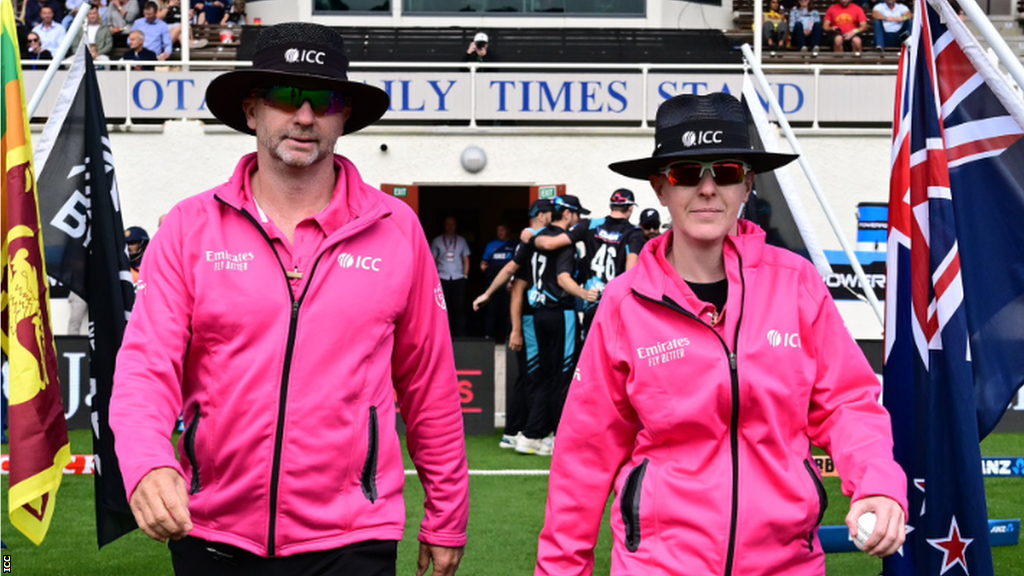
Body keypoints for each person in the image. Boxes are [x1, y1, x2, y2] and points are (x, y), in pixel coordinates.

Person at [110, 21, 468, 576]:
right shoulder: (188, 227)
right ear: (252, 110)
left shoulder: (397, 229)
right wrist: (147, 461)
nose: (304, 116)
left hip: (354, 536)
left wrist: (447, 515)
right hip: (211, 530)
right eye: (285, 96)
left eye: (323, 99)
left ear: (344, 114)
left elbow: (429, 385)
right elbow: (145, 366)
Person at [534, 92, 907, 575]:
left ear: (747, 185)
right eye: (687, 173)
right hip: (658, 565)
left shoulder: (796, 283)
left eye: (726, 172)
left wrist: (877, 482)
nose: (707, 188)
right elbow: (586, 452)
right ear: (660, 188)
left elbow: (847, 403)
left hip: (787, 564)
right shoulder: (625, 302)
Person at [516, 195, 598, 456]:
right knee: (563, 377)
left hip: (539, 314)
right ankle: (547, 434)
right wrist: (584, 295)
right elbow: (563, 278)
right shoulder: (563, 243)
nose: (577, 221)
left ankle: (538, 433)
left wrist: (487, 293)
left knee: (548, 378)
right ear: (567, 214)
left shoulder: (536, 237)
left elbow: (511, 270)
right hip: (561, 313)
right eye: (575, 215)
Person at [531, 188, 644, 342]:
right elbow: (631, 268)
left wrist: (532, 238)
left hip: (592, 300)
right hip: (615, 303)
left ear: (611, 206)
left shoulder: (590, 225)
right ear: (630, 208)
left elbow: (550, 244)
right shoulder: (634, 232)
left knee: (591, 354)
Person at [431, 216, 471, 338]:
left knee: (459, 308)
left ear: (456, 226)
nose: (450, 227)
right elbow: (432, 260)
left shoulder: (462, 241)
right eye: (448, 224)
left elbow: (466, 259)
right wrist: (433, 279)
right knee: (442, 309)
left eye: (452, 224)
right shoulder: (437, 241)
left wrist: (465, 276)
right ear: (444, 225)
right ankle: (443, 336)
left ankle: (461, 336)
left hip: (458, 278)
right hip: (442, 278)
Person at [479, 223, 516, 341]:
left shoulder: (514, 245)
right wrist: (483, 267)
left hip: (509, 285)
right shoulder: (491, 245)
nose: (500, 232)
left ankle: (510, 336)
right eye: (498, 230)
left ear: (508, 231)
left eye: (503, 230)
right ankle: (488, 336)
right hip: (493, 284)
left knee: (508, 312)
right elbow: (484, 262)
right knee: (491, 312)